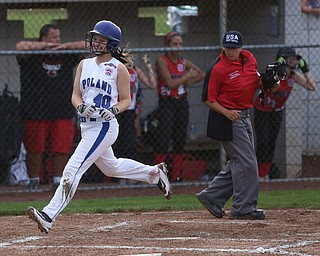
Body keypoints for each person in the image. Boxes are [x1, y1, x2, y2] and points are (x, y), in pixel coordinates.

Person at [26, 20, 172, 234]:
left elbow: (126, 100)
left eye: (101, 40)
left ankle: (49, 214)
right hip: (87, 125)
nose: (95, 42)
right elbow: (75, 96)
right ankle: (154, 174)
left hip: (104, 127)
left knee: (72, 168)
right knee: (111, 167)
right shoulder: (84, 64)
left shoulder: (118, 68)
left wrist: (113, 110)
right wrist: (80, 107)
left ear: (111, 44)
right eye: (95, 38)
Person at [197, 31, 279, 220]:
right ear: (222, 47)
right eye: (227, 48)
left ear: (241, 48)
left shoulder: (249, 58)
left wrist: (267, 84)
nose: (231, 52)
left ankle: (212, 196)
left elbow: (254, 80)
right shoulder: (217, 68)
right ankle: (243, 208)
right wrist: (227, 112)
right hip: (227, 117)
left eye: (234, 48)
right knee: (247, 162)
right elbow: (207, 99)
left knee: (240, 161)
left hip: (244, 114)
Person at [16, 24, 86, 191]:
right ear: (44, 38)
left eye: (59, 37)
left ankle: (57, 181)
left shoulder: (65, 54)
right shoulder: (32, 54)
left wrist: (65, 46)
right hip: (35, 109)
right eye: (54, 37)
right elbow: (19, 46)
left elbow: (87, 45)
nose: (58, 41)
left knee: (61, 147)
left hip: (61, 109)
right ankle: (33, 181)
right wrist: (45, 46)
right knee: (35, 148)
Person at [254, 47, 316, 181]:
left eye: (295, 58)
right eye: (291, 58)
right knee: (263, 142)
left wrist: (305, 71)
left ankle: (264, 175)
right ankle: (258, 174)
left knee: (271, 143)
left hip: (276, 112)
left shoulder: (293, 75)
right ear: (283, 59)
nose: (294, 61)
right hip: (262, 111)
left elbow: (312, 87)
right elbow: (263, 82)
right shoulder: (275, 73)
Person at [154, 31, 205, 182]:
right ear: (167, 45)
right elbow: (170, 84)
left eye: (180, 44)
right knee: (163, 139)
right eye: (174, 44)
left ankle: (176, 175)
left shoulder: (184, 61)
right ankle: (159, 176)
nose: (178, 47)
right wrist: (187, 77)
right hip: (167, 103)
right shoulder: (162, 61)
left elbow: (201, 73)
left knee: (180, 139)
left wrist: (186, 82)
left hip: (181, 102)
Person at [112, 54, 156, 184]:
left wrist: (148, 67)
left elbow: (152, 85)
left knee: (130, 144)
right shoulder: (114, 70)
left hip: (130, 111)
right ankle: (119, 177)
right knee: (117, 143)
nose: (127, 62)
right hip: (116, 111)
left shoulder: (135, 70)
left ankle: (131, 176)